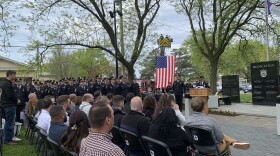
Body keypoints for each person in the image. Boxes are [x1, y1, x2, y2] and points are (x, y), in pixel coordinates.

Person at [186, 97, 250, 155]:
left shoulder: (187, 121)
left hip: (198, 147)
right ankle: (233, 142)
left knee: (216, 133)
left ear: (191, 107)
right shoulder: (211, 120)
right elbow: (220, 138)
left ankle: (233, 142)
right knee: (225, 143)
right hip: (213, 149)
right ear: (204, 107)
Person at [1, 70, 20, 145]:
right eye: (14, 75)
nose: (15, 76)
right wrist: (16, 100)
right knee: (9, 123)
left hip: (9, 105)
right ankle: (7, 140)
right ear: (9, 75)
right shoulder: (7, 84)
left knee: (9, 123)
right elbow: (10, 95)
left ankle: (8, 138)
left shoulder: (7, 83)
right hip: (9, 105)